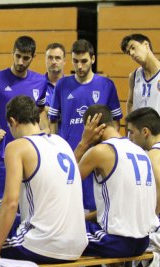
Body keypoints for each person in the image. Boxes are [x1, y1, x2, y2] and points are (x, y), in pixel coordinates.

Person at [0, 95, 88, 263]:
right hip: (78, 242)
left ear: (13, 121)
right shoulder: (61, 142)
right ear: (37, 118)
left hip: (46, 243)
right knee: (2, 218)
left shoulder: (17, 147)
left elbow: (11, 202)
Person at [74, 104, 159, 265]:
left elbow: (64, 183)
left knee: (56, 235)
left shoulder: (100, 151)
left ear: (92, 128)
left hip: (116, 242)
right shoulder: (140, 151)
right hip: (142, 241)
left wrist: (83, 143)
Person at [48, 39, 123, 211]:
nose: (79, 66)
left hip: (97, 155)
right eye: (75, 61)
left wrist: (107, 147)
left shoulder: (106, 85)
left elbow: (116, 121)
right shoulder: (62, 84)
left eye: (84, 61)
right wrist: (57, 146)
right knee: (70, 203)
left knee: (96, 204)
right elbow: (52, 120)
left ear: (93, 59)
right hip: (71, 154)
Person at [0, 36, 48, 198]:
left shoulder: (40, 81)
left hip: (31, 155)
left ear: (33, 57)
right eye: (18, 56)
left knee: (26, 206)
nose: (21, 62)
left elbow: (41, 110)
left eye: (26, 58)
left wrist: (45, 131)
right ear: (13, 53)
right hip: (2, 155)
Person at [126, 107, 160, 216]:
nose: (129, 138)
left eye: (131, 132)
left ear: (145, 131)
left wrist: (151, 219)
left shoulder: (152, 156)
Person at [121, 34, 160, 115]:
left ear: (146, 45)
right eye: (128, 52)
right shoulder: (134, 76)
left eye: (133, 48)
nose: (131, 53)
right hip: (139, 126)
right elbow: (130, 103)